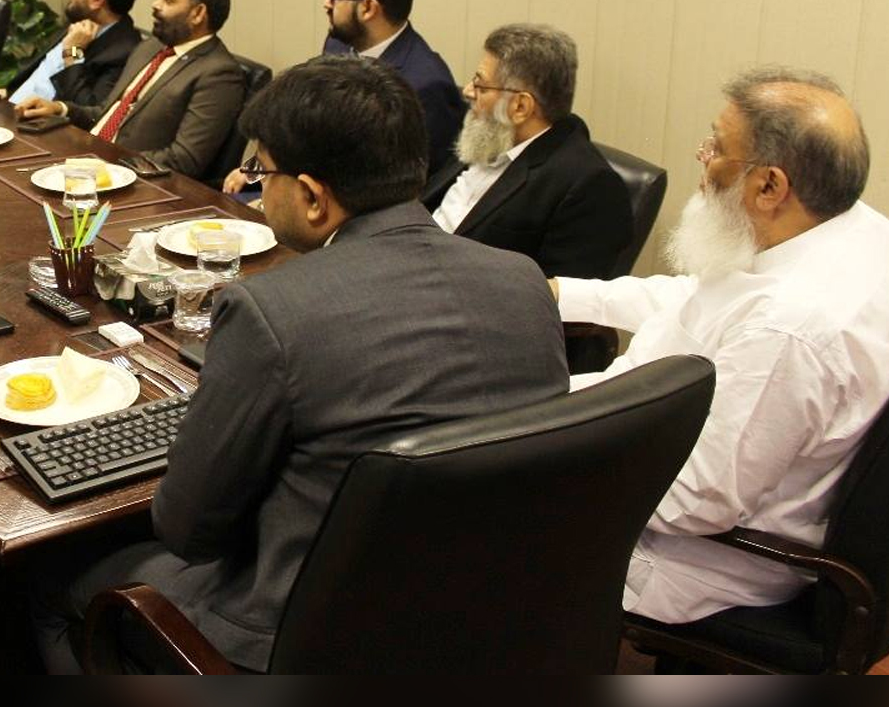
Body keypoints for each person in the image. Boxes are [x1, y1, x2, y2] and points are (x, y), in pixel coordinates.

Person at [35, 56, 568, 672]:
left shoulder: (272, 311)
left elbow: (188, 531)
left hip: (305, 636)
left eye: (262, 171)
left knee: (47, 583)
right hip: (486, 619)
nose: (257, 185)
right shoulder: (523, 281)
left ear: (313, 197)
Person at [555, 68, 889, 625]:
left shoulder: (789, 330)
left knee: (446, 503)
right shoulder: (865, 235)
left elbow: (694, 502)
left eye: (716, 148)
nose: (703, 159)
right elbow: (705, 302)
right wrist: (561, 295)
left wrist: (539, 445)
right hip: (655, 436)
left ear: (769, 187)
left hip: (686, 558)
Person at [219, 0, 463, 194]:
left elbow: (410, 190)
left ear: (368, 8)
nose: (326, 3)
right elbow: (309, 129)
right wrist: (259, 168)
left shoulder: (426, 85)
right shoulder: (339, 44)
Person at [423, 23, 631, 279]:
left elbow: (551, 294)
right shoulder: (486, 136)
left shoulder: (589, 187)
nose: (467, 91)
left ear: (520, 106)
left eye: (481, 86)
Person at [17, 0, 244, 179]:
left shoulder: (218, 73)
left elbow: (185, 159)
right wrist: (60, 108)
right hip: (86, 153)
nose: (155, 4)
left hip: (127, 178)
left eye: (168, 0)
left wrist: (72, 53)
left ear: (198, 13)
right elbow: (105, 112)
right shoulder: (152, 46)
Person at [7, 0, 143, 108]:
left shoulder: (123, 52)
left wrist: (72, 52)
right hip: (10, 105)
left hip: (37, 119)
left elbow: (90, 109)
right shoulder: (81, 18)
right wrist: (9, 93)